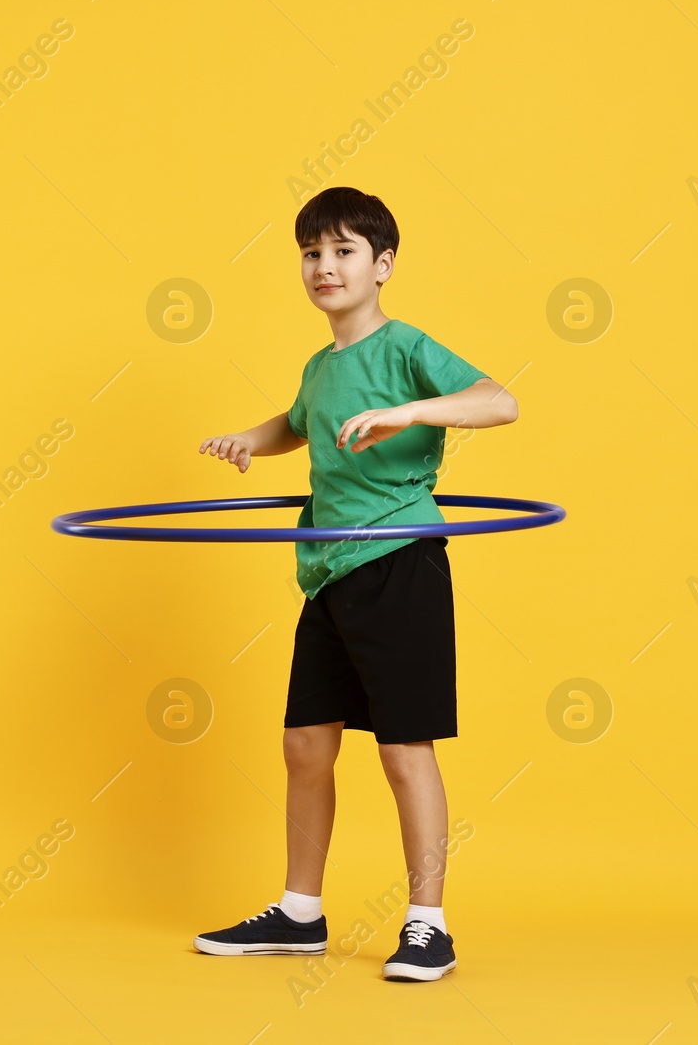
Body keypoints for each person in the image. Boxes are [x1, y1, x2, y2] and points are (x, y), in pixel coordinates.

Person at [192, 186, 518, 981]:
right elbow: (297, 423)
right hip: (328, 572)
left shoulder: (406, 347)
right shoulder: (319, 365)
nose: (324, 266)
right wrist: (247, 438)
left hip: (399, 562)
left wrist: (410, 413)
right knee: (305, 743)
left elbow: (498, 401)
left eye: (342, 251)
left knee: (405, 748)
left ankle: (427, 923)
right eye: (311, 253)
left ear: (383, 265)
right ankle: (300, 913)